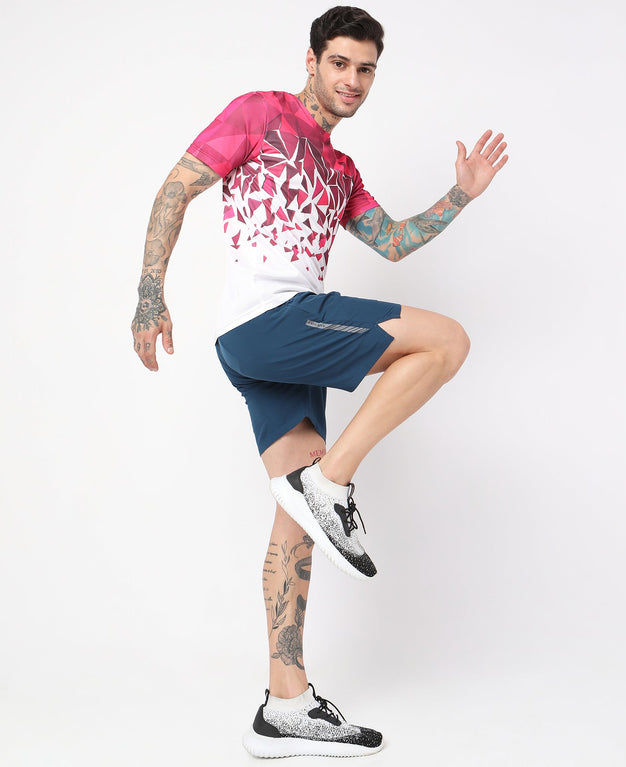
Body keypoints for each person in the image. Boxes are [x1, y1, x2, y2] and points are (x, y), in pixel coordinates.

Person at [130, 5, 507, 759]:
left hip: (272, 349)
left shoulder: (340, 170)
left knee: (293, 521)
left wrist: (460, 195)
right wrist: (150, 293)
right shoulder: (258, 114)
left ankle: (286, 704)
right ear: (311, 61)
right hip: (268, 323)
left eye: (365, 69)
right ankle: (331, 483)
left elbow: (392, 242)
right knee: (447, 341)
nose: (352, 80)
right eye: (340, 63)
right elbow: (176, 188)